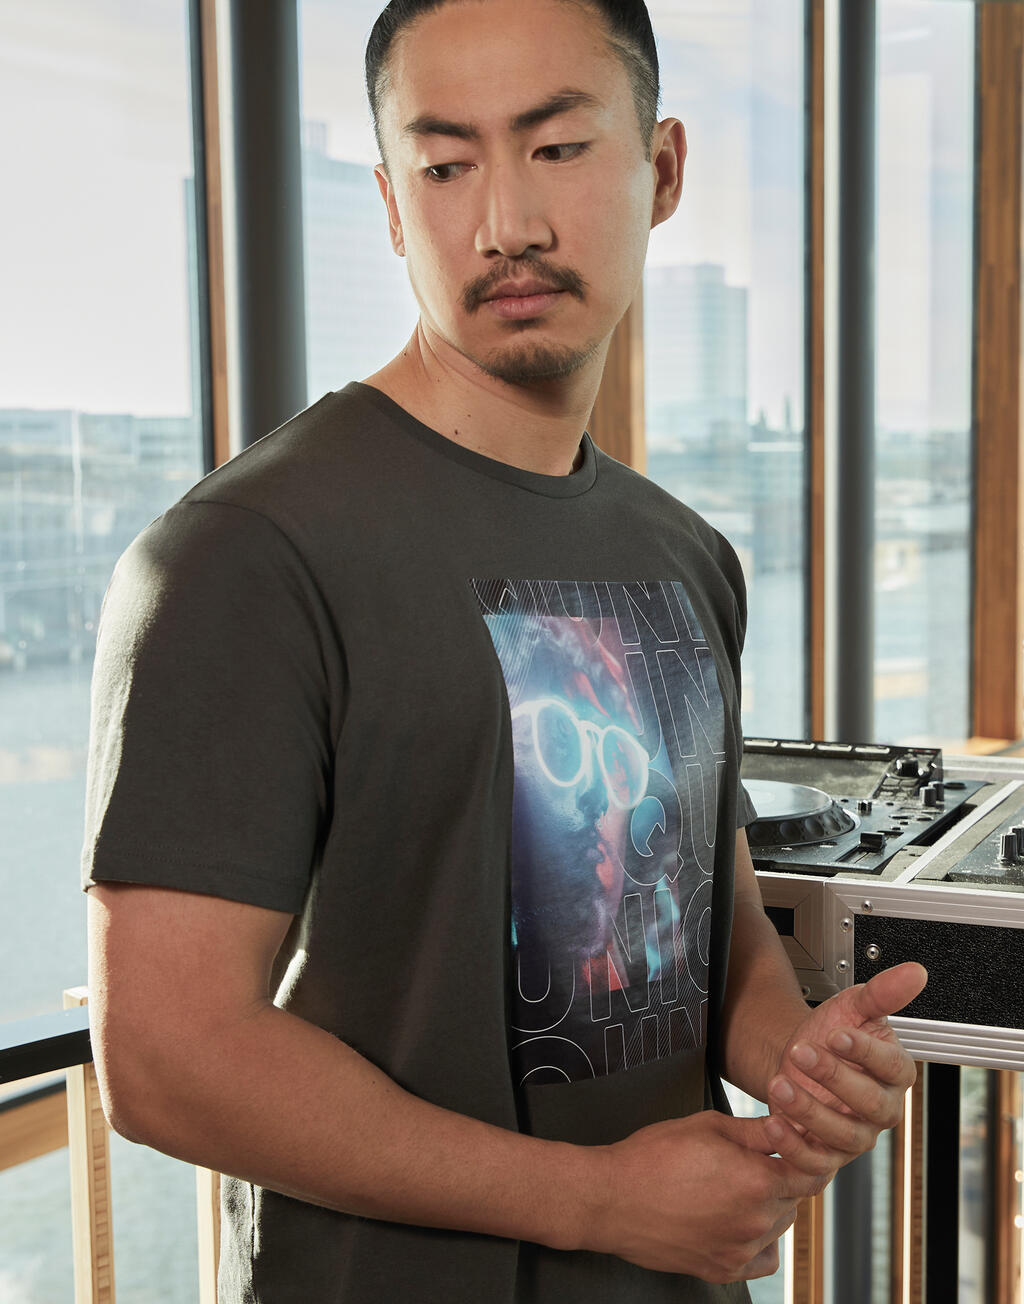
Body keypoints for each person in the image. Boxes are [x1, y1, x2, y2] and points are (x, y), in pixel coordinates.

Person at [82, 1, 926, 1300]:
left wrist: (791, 1054)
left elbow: (701, 916)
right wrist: (598, 1202)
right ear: (390, 204)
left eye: (556, 148)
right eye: (444, 165)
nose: (503, 225)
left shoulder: (685, 554)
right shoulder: (243, 555)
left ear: (662, 170)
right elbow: (167, 1059)